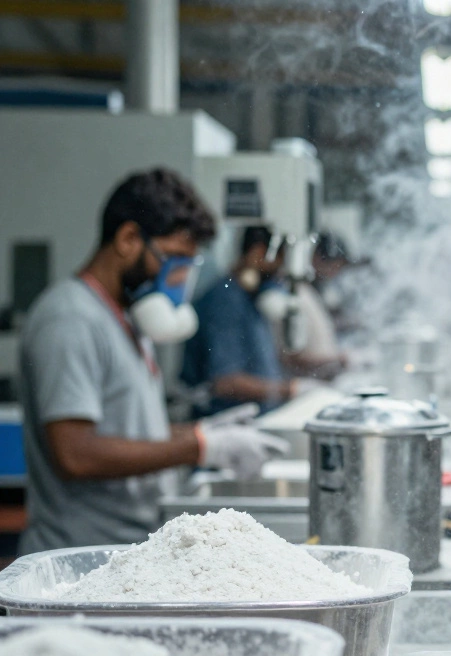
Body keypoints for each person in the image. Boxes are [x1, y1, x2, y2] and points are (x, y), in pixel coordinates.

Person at [17, 169, 289, 554]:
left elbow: (129, 433)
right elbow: (76, 454)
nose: (179, 278)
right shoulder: (70, 319)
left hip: (124, 549)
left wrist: (199, 432)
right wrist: (198, 447)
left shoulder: (127, 320)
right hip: (80, 556)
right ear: (128, 239)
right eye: (174, 259)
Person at [182, 225, 303, 417]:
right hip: (229, 422)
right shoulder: (226, 300)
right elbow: (225, 382)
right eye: (278, 264)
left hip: (261, 416)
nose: (278, 275)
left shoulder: (252, 298)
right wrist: (289, 390)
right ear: (257, 254)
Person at [280, 230, 350, 381]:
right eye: (334, 265)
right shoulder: (296, 295)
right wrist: (339, 360)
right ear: (316, 259)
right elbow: (291, 356)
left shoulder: (314, 292)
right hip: (302, 384)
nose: (335, 272)